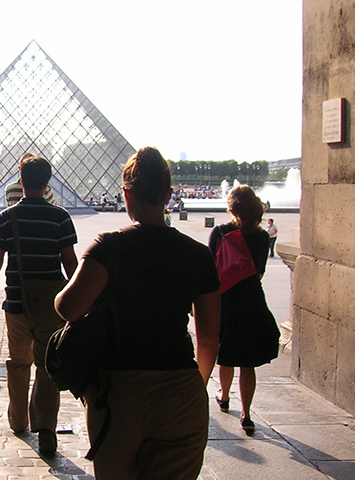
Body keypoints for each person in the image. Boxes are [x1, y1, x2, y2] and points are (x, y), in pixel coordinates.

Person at [55, 147, 220, 480]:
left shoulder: (109, 247)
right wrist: (193, 386)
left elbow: (68, 309)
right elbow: (210, 338)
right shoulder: (198, 255)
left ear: (126, 194)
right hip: (181, 391)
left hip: (121, 393)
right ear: (169, 195)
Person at [0, 156, 78, 457]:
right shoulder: (60, 217)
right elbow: (70, 263)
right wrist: (79, 302)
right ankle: (46, 428)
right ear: (48, 182)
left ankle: (19, 420)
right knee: (48, 367)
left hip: (17, 304)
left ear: (21, 180)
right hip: (51, 306)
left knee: (18, 363)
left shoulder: (6, 218)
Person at [208, 185, 280, 433]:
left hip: (226, 300)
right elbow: (259, 272)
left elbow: (211, 270)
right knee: (247, 362)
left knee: (226, 354)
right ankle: (247, 414)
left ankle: (225, 396)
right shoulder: (262, 237)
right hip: (252, 301)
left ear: (231, 207)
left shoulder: (220, 233)